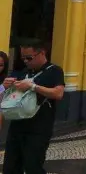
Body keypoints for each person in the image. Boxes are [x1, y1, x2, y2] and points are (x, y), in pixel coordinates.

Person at [2, 41, 65, 174]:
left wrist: (33, 87)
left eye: (29, 58)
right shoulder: (23, 72)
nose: (26, 61)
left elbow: (58, 93)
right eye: (23, 58)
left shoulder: (54, 71)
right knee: (10, 167)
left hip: (38, 128)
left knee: (33, 167)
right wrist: (5, 86)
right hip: (17, 125)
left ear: (42, 53)